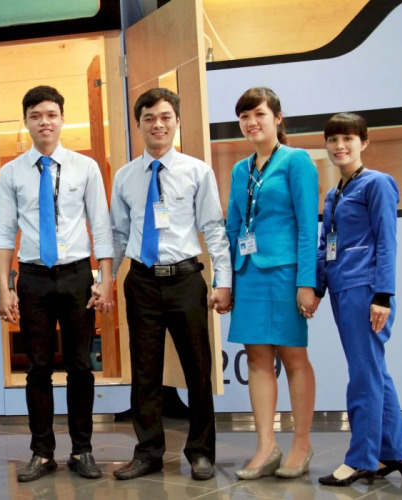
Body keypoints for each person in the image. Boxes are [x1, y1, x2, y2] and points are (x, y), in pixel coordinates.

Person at [110, 87, 232, 481]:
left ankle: (201, 452)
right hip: (141, 282)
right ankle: (148, 452)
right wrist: (105, 281)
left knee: (198, 369)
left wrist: (223, 280)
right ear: (139, 125)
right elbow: (117, 234)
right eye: (149, 118)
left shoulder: (197, 171)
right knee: (145, 372)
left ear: (177, 121)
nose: (157, 125)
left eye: (165, 117)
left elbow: (213, 228)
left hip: (185, 280)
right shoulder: (125, 176)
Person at [0, 85, 114, 482]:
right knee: (37, 369)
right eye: (35, 116)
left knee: (80, 366)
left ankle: (82, 450)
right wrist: (4, 287)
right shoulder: (11, 172)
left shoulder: (85, 167)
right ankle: (41, 452)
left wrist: (106, 278)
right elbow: (3, 232)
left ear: (62, 118)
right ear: (26, 122)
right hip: (32, 278)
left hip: (77, 275)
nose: (44, 122)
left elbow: (101, 224)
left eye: (50, 114)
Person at [225, 87, 319, 480]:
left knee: (294, 357)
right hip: (248, 272)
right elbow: (232, 227)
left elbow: (307, 225)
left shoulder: (297, 161)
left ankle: (301, 443)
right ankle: (266, 446)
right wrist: (225, 280)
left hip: (285, 272)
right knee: (258, 359)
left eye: (259, 114)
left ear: (277, 118)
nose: (252, 122)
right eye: (245, 116)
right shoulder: (240, 170)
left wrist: (307, 282)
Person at [315, 113, 402, 486]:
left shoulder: (378, 184)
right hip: (342, 288)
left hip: (366, 290)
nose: (340, 146)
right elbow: (327, 244)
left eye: (348, 139)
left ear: (364, 142)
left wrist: (383, 294)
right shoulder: (333, 193)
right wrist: (317, 288)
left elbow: (387, 241)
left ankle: (361, 459)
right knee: (374, 371)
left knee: (363, 375)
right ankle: (394, 451)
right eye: (333, 140)